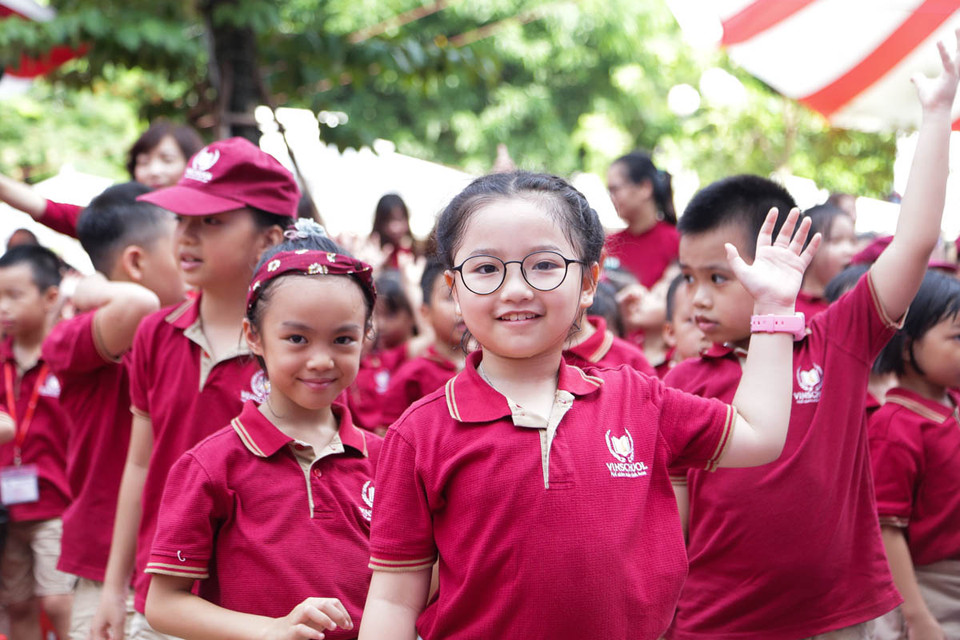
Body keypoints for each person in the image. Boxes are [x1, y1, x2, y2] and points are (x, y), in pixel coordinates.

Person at [359, 170, 819, 640]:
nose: (515, 288)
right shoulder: (419, 434)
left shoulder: (639, 398)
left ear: (588, 282)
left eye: (543, 264)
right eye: (485, 268)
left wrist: (773, 310)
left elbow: (758, 434)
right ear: (454, 290)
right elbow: (394, 597)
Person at [663, 35, 959, 640]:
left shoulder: (838, 339)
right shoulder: (684, 380)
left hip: (845, 618)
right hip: (718, 623)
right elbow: (674, 522)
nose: (697, 296)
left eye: (719, 277)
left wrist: (935, 119)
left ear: (784, 257)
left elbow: (915, 241)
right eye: (689, 278)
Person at [90, 137, 296, 640]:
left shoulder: (297, 346)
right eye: (182, 220)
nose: (186, 236)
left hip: (261, 606)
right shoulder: (155, 333)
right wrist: (115, 586)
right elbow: (140, 464)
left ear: (268, 239)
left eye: (211, 222)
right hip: (164, 594)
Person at [143, 224, 380, 640]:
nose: (322, 360)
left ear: (365, 338)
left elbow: (415, 579)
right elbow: (163, 604)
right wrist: (272, 630)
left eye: (343, 338)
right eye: (297, 338)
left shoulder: (388, 458)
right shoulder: (211, 465)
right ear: (254, 336)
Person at [42, 182, 185, 640]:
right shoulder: (73, 334)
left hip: (178, 565)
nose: (194, 250)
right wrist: (91, 290)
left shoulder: (197, 332)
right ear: (137, 262)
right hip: (108, 574)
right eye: (181, 242)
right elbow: (139, 302)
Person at [869, 270, 960, 640]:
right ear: (906, 347)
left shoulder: (951, 402)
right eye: (956, 338)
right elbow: (887, 532)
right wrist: (917, 616)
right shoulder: (894, 428)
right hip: (929, 585)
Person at [0, 245, 75, 640]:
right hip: (8, 511)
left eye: (13, 295)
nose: (3, 307)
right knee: (18, 605)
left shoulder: (69, 356)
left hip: (59, 504)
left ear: (50, 297)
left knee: (61, 601)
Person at [0, 120, 203, 238]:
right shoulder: (118, 218)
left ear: (193, 164)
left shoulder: (209, 219)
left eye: (167, 160)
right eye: (144, 162)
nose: (154, 170)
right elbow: (46, 208)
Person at [378, 259, 466, 430]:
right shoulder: (412, 375)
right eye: (449, 298)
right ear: (425, 313)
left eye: (466, 296)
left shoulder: (490, 367)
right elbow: (387, 434)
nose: (460, 308)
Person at [604, 151, 679, 289]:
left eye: (615, 189)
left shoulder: (676, 242)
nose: (611, 197)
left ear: (645, 187)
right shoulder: (610, 245)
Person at [797, 203, 857, 320]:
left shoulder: (849, 305)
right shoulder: (790, 307)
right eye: (836, 240)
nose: (850, 250)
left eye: (853, 241)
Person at [656, 274, 708, 378]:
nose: (705, 333)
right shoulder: (657, 379)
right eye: (692, 320)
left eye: (712, 322)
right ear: (671, 332)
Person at [372, 194, 416, 270]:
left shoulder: (417, 251)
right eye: (387, 221)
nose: (394, 228)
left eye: (399, 219)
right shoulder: (371, 251)